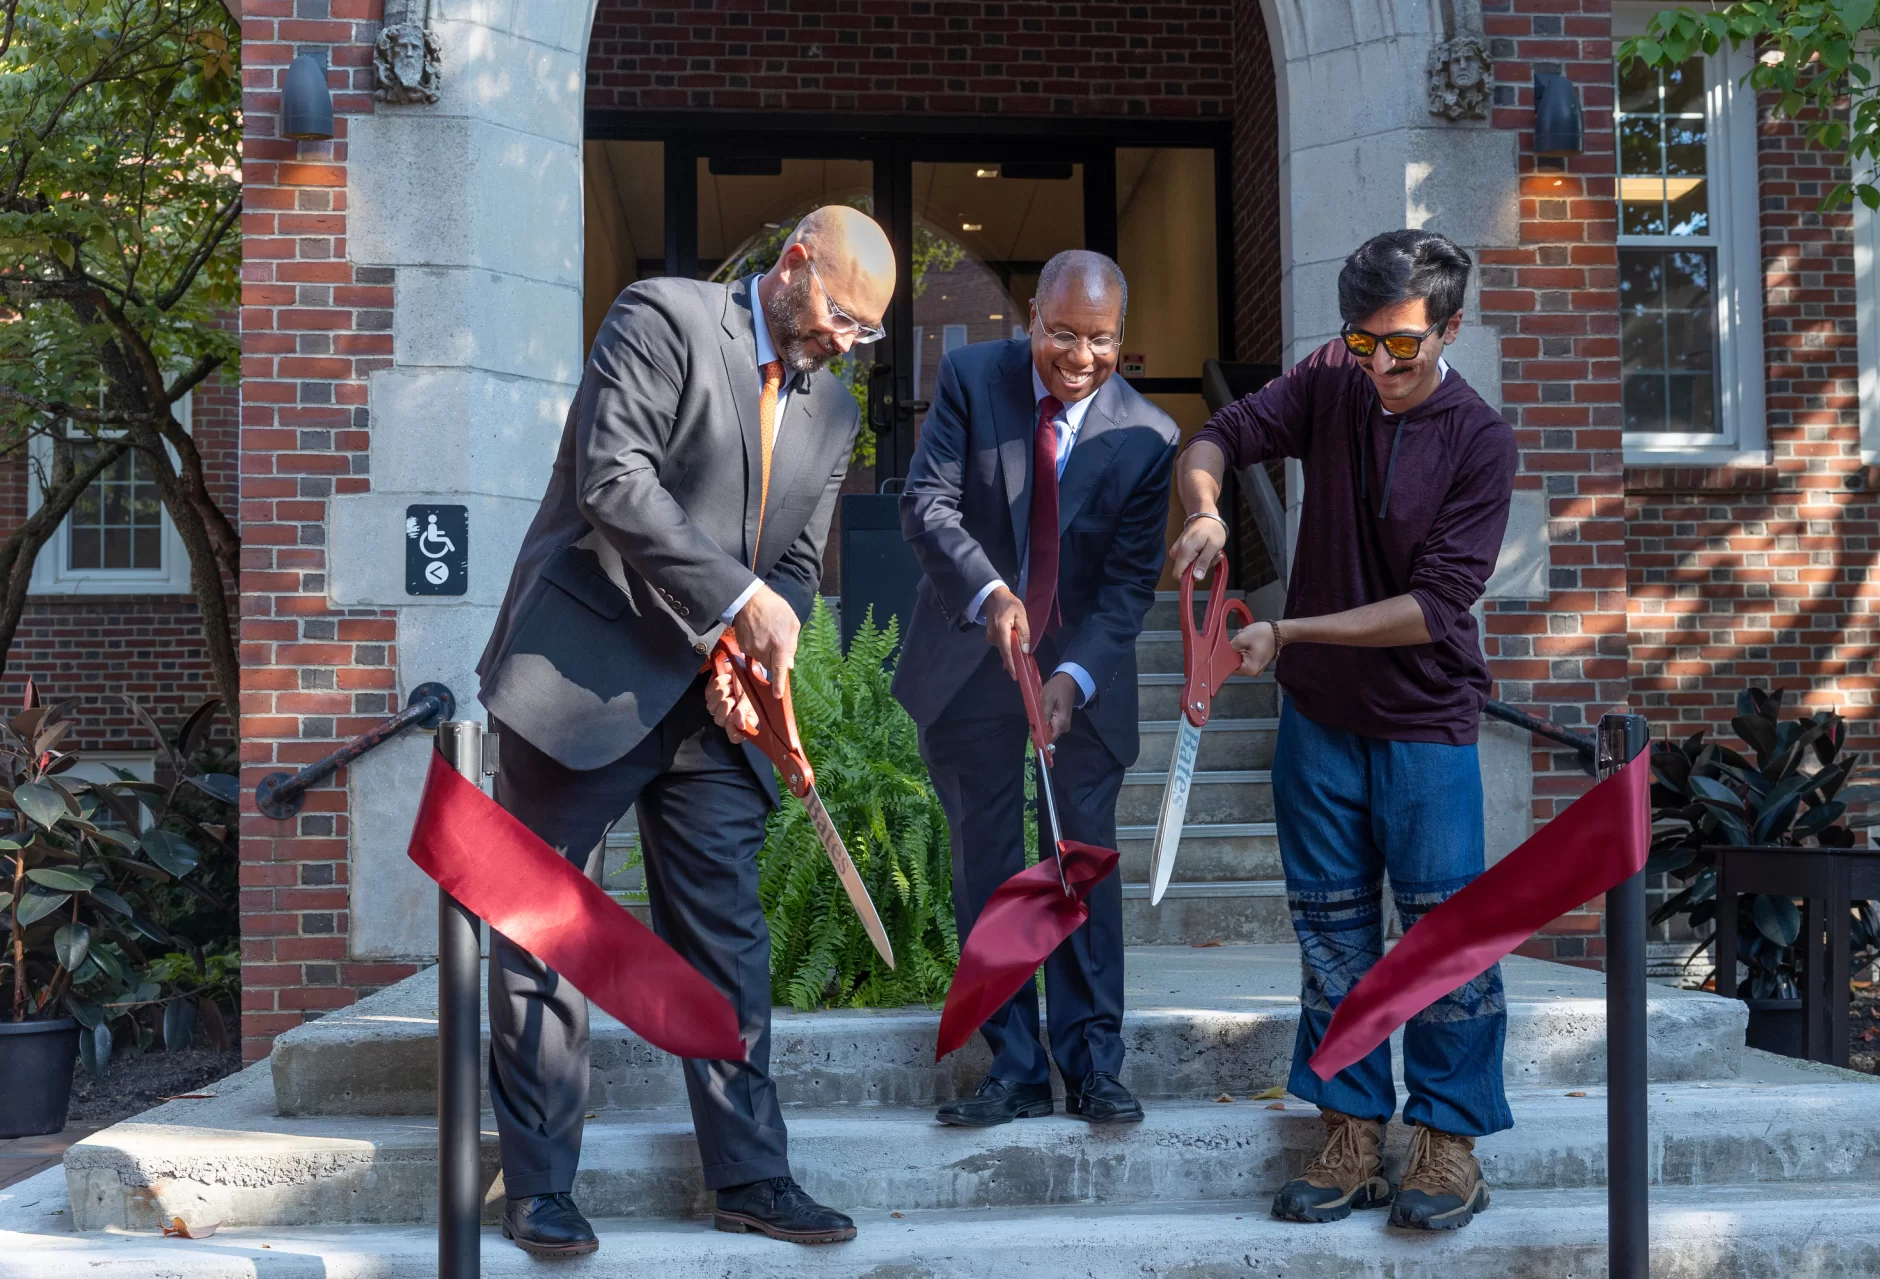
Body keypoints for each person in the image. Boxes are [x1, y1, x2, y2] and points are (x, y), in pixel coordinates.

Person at [473, 206, 897, 1255]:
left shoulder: (833, 412)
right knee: (541, 930)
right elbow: (615, 482)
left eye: (865, 332)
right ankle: (537, 1188)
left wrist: (752, 664)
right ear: (793, 266)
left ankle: (752, 1175)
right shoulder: (660, 318)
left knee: (728, 939)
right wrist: (733, 601)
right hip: (585, 675)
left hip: (710, 712)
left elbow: (794, 564)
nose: (844, 342)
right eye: (840, 314)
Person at [1171, 229, 1517, 1232]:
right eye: (1360, 343)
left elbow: (1432, 605)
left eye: (1399, 347)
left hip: (1423, 723)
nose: (1377, 368)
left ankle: (1446, 1145)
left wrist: (1287, 631)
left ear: (1449, 330)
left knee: (1443, 941)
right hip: (1317, 723)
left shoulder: (1479, 441)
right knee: (1330, 938)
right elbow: (1218, 435)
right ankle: (1350, 1132)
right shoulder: (1333, 379)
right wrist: (1203, 511)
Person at [896, 250, 1178, 1129]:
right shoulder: (973, 380)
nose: (1079, 356)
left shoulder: (1150, 438)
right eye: (1062, 333)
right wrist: (991, 591)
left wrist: (1074, 674)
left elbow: (1130, 586)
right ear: (1030, 318)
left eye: (1099, 339)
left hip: (1081, 677)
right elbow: (927, 502)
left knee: (1079, 865)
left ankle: (1095, 1063)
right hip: (972, 657)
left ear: (1121, 337)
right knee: (988, 866)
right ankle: (1013, 1066)